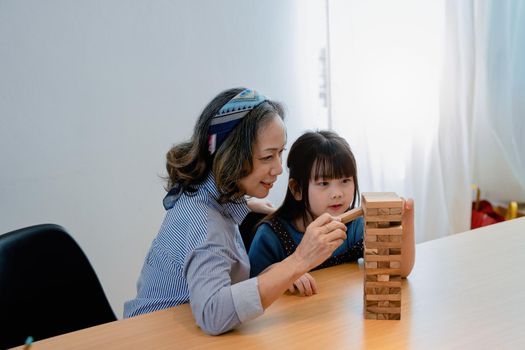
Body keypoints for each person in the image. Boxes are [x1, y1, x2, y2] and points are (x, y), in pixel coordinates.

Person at [124, 88, 348, 335]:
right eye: (267, 157)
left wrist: (246, 207)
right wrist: (298, 261)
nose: (278, 169)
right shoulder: (206, 223)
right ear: (232, 156)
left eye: (280, 153)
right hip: (154, 336)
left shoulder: (205, 196)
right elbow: (213, 314)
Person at [248, 130, 415, 296]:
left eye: (345, 181)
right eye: (323, 183)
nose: (337, 193)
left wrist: (405, 227)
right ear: (297, 189)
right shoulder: (272, 235)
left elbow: (399, 271)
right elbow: (248, 289)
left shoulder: (356, 227)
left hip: (336, 318)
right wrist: (281, 272)